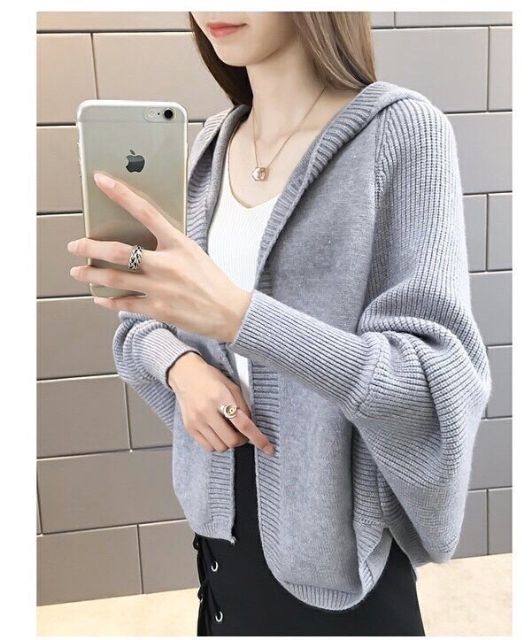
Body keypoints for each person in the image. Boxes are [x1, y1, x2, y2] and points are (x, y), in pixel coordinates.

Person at [68, 11, 492, 637]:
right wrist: (180, 367)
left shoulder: (402, 132)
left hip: (337, 554)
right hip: (222, 539)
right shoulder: (211, 148)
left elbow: (433, 384)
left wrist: (240, 317)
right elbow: (142, 322)